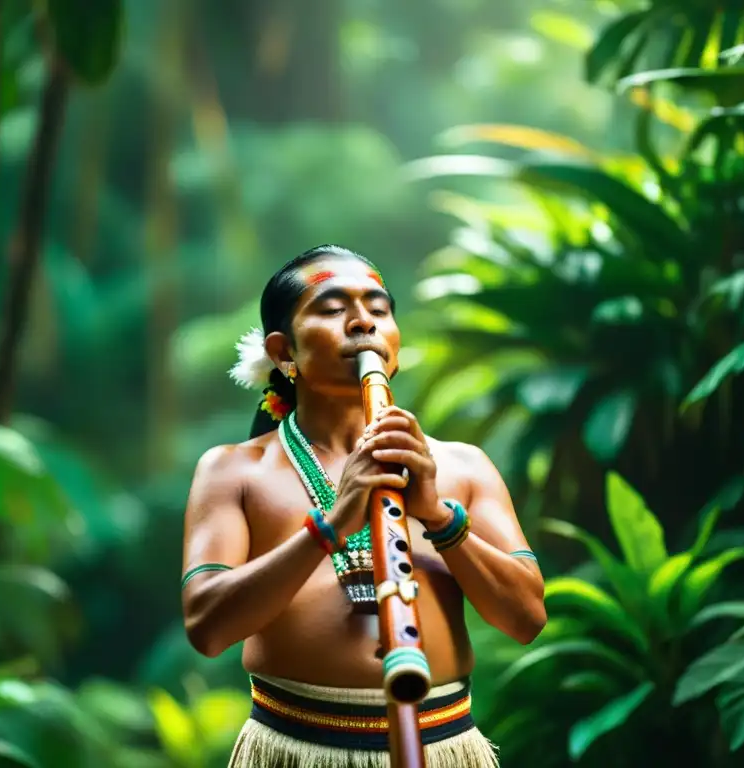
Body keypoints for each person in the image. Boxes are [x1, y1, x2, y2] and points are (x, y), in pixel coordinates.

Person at [181, 245, 546, 767]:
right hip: (295, 749)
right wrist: (332, 522)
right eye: (332, 309)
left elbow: (527, 618)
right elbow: (208, 627)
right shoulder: (234, 471)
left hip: (443, 746)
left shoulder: (464, 467)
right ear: (284, 352)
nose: (362, 323)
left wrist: (439, 517)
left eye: (378, 308)